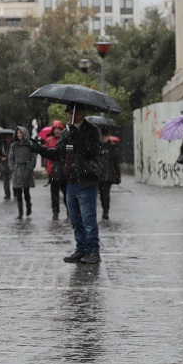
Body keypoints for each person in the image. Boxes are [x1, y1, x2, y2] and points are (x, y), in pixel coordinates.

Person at [32, 104, 104, 264]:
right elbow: (58, 154)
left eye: (73, 112)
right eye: (69, 112)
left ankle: (93, 251)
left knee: (88, 219)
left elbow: (93, 152)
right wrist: (39, 149)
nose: (70, 115)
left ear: (82, 113)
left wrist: (77, 136)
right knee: (76, 220)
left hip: (86, 181)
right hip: (70, 182)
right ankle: (81, 249)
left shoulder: (92, 131)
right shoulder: (66, 133)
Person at [10, 128, 35, 218]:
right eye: (18, 133)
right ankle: (20, 212)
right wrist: (13, 169)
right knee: (18, 192)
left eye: (21, 132)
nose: (19, 134)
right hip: (17, 170)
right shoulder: (14, 146)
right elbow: (11, 158)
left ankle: (28, 207)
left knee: (26, 191)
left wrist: (30, 168)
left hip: (26, 169)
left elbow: (33, 157)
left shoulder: (29, 144)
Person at [98, 129, 122, 220]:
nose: (104, 138)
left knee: (106, 193)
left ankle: (106, 210)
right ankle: (104, 207)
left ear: (108, 136)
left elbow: (116, 163)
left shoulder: (112, 147)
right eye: (103, 136)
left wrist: (118, 176)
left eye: (106, 136)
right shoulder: (98, 146)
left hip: (109, 175)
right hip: (99, 174)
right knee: (101, 193)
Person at [45, 121, 65, 219]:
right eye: (55, 129)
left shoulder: (65, 139)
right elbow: (46, 157)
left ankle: (69, 210)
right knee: (54, 193)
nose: (57, 131)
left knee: (66, 193)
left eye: (59, 129)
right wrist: (49, 169)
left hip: (63, 170)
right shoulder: (49, 140)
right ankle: (55, 211)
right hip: (53, 170)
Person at [0, 131, 16, 201]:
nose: (8, 139)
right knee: (6, 181)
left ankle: (16, 193)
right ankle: (7, 194)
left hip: (13, 166)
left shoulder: (14, 146)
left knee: (15, 180)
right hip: (4, 166)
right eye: (7, 138)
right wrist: (1, 158)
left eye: (10, 138)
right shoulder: (2, 146)